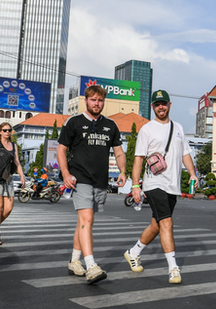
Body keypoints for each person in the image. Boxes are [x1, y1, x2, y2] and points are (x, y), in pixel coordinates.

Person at [125, 89, 197, 285]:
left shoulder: (179, 128)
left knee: (157, 224)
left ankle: (133, 252)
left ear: (169, 105)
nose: (161, 107)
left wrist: (192, 173)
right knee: (167, 223)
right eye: (157, 104)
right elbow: (138, 159)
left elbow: (185, 154)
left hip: (172, 185)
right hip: (154, 183)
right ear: (152, 107)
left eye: (163, 103)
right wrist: (136, 185)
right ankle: (173, 268)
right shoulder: (147, 129)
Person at [58, 85, 126, 284]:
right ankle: (91, 266)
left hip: (100, 181)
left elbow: (119, 152)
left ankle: (74, 260)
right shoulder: (74, 122)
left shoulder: (111, 125)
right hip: (80, 178)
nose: (97, 103)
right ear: (86, 101)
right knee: (86, 219)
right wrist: (65, 173)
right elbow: (61, 150)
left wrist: (123, 171)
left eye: (100, 100)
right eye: (93, 100)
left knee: (86, 222)